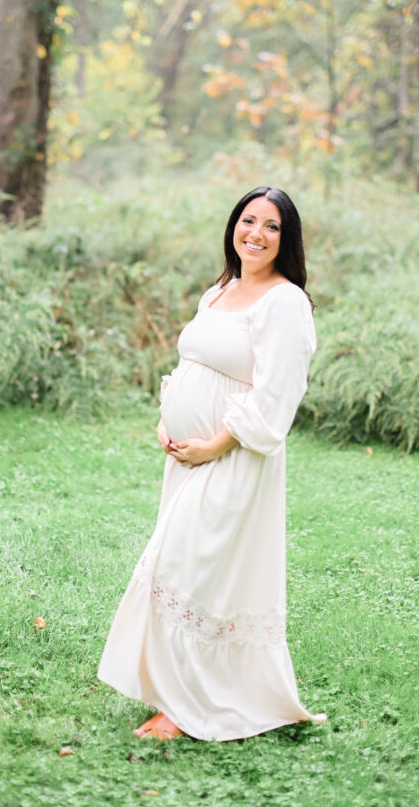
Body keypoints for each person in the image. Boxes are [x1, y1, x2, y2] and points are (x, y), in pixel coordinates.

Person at [97, 185, 326, 741]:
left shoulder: (285, 303)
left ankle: (184, 709)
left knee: (189, 567)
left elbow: (278, 396)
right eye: (248, 221)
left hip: (235, 458)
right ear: (233, 226)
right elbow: (191, 364)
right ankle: (177, 690)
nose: (256, 234)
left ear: (286, 239)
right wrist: (168, 416)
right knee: (183, 566)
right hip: (188, 458)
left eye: (271, 227)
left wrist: (216, 444)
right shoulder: (220, 290)